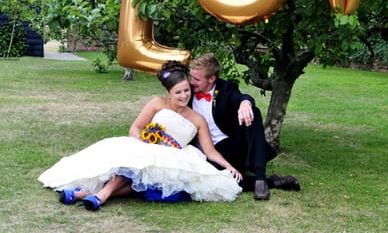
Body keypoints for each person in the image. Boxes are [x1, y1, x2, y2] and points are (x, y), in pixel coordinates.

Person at [38, 61, 243, 211]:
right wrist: (145, 143)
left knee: (151, 188)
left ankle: (86, 195)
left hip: (174, 156)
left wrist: (229, 167)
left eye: (187, 91)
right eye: (178, 92)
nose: (184, 96)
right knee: (134, 166)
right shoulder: (157, 103)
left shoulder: (197, 119)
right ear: (168, 92)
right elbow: (135, 128)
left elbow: (209, 151)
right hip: (146, 146)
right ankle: (100, 196)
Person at [188, 53, 300, 200]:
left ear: (212, 79)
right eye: (191, 77)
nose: (192, 82)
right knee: (215, 181)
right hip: (205, 152)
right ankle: (274, 182)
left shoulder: (225, 88)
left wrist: (245, 103)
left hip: (231, 147)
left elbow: (241, 97)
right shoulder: (186, 91)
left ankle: (260, 178)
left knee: (253, 112)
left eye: (197, 79)